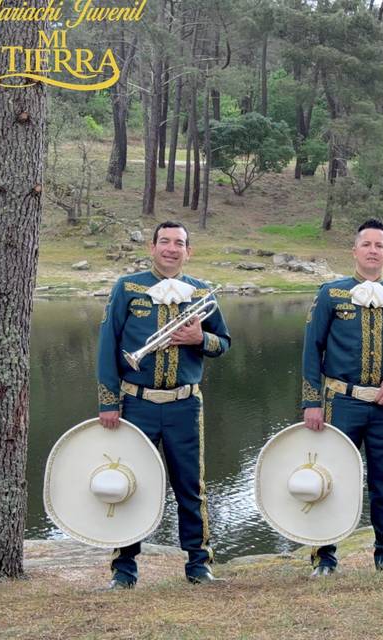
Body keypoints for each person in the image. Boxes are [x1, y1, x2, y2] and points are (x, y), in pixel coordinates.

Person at [97, 221, 231, 588]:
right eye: (165, 242)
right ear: (152, 247)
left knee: (190, 485)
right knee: (129, 484)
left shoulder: (201, 292)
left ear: (189, 251)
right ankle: (124, 569)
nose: (172, 248)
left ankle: (198, 563)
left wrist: (200, 337)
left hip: (184, 405)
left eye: (180, 243)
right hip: (136, 404)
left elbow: (224, 344)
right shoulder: (128, 288)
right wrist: (109, 402)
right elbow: (107, 346)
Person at [301, 218, 383, 577]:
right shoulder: (331, 294)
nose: (373, 251)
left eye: (380, 246)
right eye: (367, 245)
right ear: (354, 250)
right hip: (340, 402)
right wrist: (312, 402)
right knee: (331, 479)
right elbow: (312, 349)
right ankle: (324, 557)